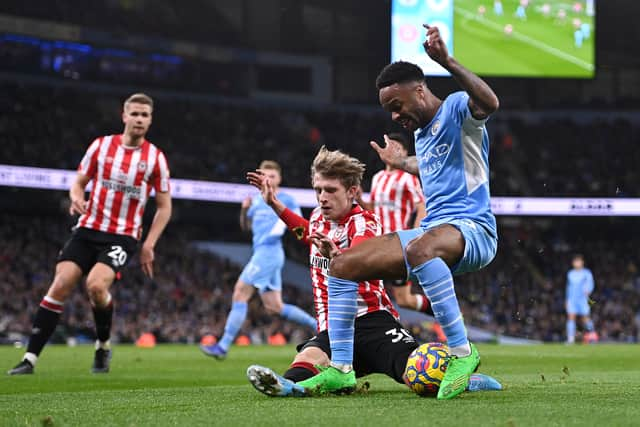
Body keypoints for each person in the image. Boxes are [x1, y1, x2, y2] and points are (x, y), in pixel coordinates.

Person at [297, 24, 500, 400]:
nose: (394, 116)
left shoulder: (458, 108)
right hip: (433, 232)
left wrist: (448, 61)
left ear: (419, 90)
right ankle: (342, 369)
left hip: (473, 229)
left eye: (397, 105)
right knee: (342, 266)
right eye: (388, 110)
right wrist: (402, 161)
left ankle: (462, 351)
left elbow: (489, 104)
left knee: (420, 248)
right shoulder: (423, 134)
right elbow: (434, 167)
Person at [244, 147, 501, 397]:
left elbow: (357, 260)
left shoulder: (365, 222)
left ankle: (470, 380)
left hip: (373, 321)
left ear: (352, 191)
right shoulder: (317, 218)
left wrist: (337, 256)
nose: (322, 197)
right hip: (334, 328)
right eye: (318, 190)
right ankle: (290, 387)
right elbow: (305, 233)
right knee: (299, 371)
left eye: (331, 190)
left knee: (419, 375)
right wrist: (274, 204)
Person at [8, 93, 172, 375]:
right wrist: (75, 197)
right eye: (135, 114)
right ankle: (29, 359)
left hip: (122, 236)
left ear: (151, 120)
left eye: (145, 115)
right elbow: (78, 183)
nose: (139, 119)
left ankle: (103, 346)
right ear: (124, 116)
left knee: (96, 286)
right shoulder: (101, 146)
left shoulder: (155, 158)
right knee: (60, 284)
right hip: (87, 229)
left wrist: (149, 244)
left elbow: (164, 207)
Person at [200, 161, 316, 360]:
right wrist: (244, 211)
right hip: (261, 252)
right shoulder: (255, 200)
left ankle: (223, 346)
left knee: (240, 294)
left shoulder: (287, 199)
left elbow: (298, 224)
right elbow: (246, 227)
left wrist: (278, 230)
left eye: (272, 176)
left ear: (279, 178)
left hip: (269, 252)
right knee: (274, 306)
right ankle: (318, 325)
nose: (269, 179)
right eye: (265, 176)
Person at [357, 132, 430, 315]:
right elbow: (373, 210)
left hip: (399, 244)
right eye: (390, 146)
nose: (392, 151)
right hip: (377, 243)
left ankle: (440, 310)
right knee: (371, 288)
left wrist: (415, 236)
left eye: (397, 148)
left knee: (404, 299)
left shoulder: (408, 178)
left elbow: (422, 207)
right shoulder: (377, 178)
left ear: (406, 154)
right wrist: (359, 200)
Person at [566, 254, 598, 344]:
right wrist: (567, 300)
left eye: (578, 261)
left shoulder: (586, 273)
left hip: (583, 299)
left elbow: (591, 283)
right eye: (575, 261)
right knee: (571, 317)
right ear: (573, 263)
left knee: (585, 318)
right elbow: (568, 287)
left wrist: (588, 290)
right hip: (572, 300)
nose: (577, 263)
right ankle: (570, 339)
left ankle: (592, 335)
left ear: (582, 262)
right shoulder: (570, 274)